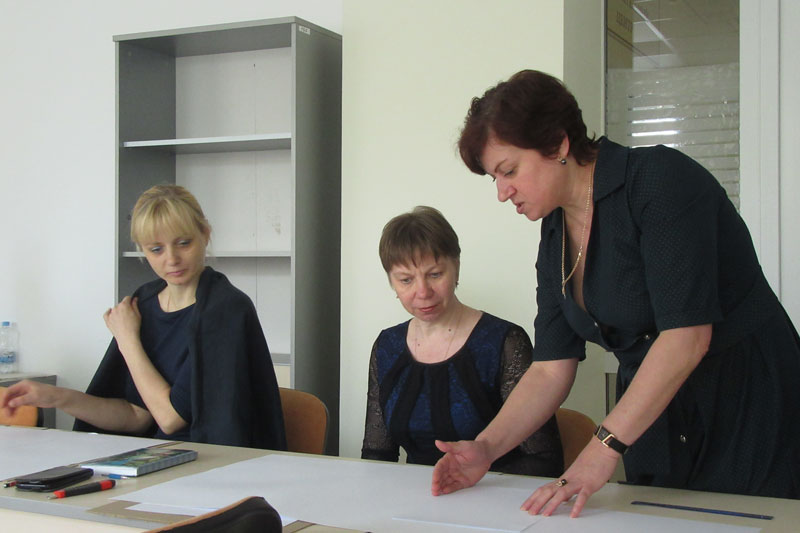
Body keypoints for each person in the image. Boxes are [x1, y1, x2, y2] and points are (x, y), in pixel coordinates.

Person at [431, 70, 800, 517]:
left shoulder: (659, 180)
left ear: (558, 144)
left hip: (745, 402)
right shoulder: (555, 233)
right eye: (494, 178)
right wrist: (487, 448)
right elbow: (549, 368)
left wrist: (601, 447)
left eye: (508, 171)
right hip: (654, 415)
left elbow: (686, 336)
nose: (502, 192)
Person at [1, 184, 286, 450]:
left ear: (205, 234)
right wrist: (55, 397)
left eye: (184, 243)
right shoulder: (146, 304)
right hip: (160, 457)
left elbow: (170, 419)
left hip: (215, 460)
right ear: (142, 250)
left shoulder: (226, 309)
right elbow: (136, 416)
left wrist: (127, 340)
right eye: (156, 249)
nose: (171, 259)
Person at [361, 206, 563, 477]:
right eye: (406, 280)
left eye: (435, 274)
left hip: (493, 493)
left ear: (456, 267)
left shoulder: (505, 343)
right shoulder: (387, 345)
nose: (423, 292)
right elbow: (377, 454)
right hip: (417, 495)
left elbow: (544, 460)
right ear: (392, 282)